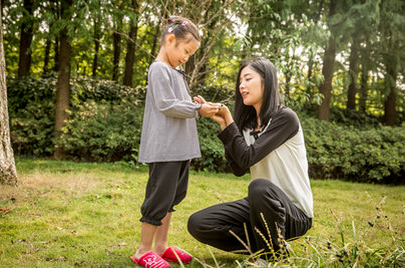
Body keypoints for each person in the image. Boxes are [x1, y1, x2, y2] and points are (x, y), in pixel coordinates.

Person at [188, 58, 314, 263]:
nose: (241, 86)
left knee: (260, 187)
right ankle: (272, 242)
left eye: (248, 79)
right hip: (260, 205)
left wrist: (229, 121)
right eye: (240, 81)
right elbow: (238, 168)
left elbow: (248, 158)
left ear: (267, 81)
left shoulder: (285, 118)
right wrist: (225, 126)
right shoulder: (248, 125)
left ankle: (271, 256)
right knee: (199, 223)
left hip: (294, 212)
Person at [131, 16, 220, 268]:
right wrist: (196, 109)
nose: (187, 58)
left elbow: (181, 104)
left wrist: (197, 105)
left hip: (180, 150)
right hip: (165, 150)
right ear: (171, 40)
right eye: (186, 51)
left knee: (172, 198)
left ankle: (160, 247)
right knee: (159, 198)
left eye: (191, 54)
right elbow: (166, 104)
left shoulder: (175, 72)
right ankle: (143, 250)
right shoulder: (158, 68)